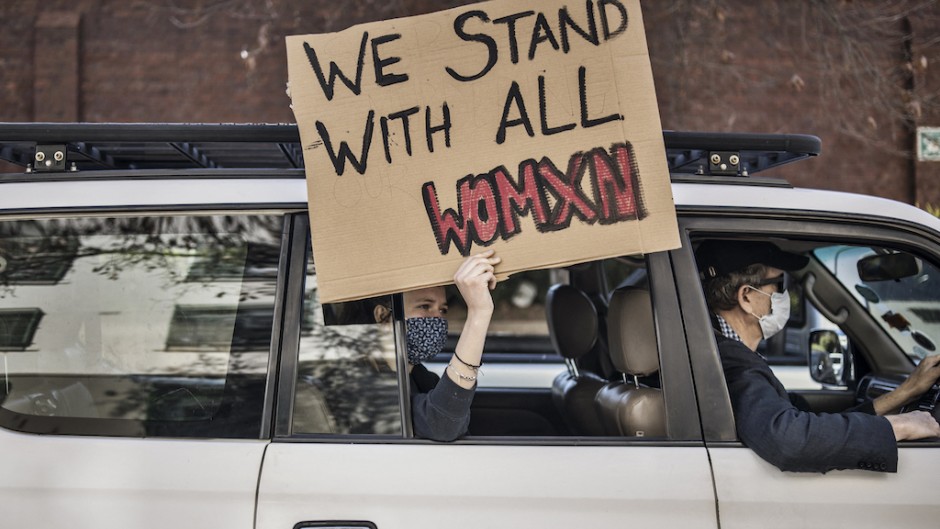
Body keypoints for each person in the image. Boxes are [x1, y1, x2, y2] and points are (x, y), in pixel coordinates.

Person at [695, 239, 940, 473]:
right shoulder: (733, 364)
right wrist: (899, 426)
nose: (784, 295)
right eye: (779, 285)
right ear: (747, 296)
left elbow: (806, 421)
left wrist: (904, 393)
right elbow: (788, 437)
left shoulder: (723, 354)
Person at [374, 249, 500, 441]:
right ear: (382, 316)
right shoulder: (366, 381)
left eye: (442, 310)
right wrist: (478, 312)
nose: (437, 319)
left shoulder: (422, 378)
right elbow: (441, 424)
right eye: (425, 306)